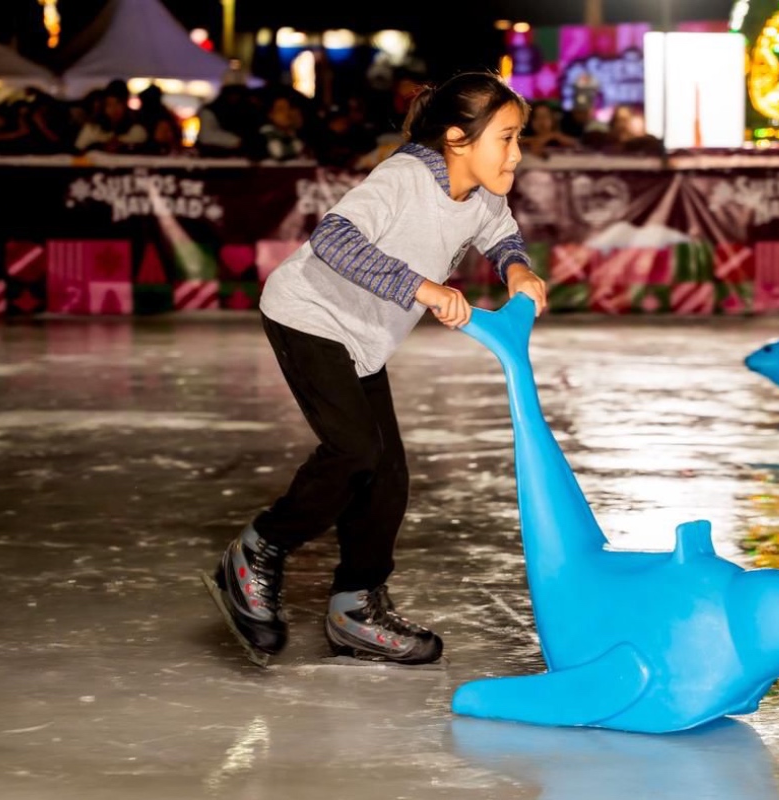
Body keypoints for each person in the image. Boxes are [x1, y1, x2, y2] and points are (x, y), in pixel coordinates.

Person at [208, 72, 548, 666]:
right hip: (308, 314)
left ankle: (355, 605)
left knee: (388, 477)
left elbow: (500, 235)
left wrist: (516, 270)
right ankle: (258, 550)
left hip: (365, 338)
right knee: (354, 452)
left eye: (519, 138)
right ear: (457, 140)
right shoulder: (404, 177)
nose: (517, 154)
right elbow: (333, 239)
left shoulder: (483, 194)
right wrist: (421, 287)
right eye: (507, 138)